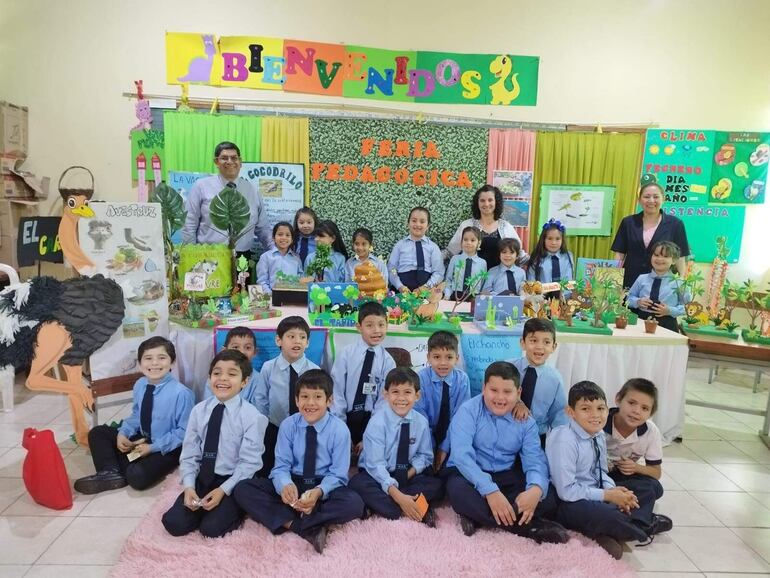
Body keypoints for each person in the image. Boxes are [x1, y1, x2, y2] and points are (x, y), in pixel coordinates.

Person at [233, 370, 365, 554]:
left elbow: (338, 474)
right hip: (294, 481)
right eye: (304, 397)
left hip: (322, 484)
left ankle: (293, 520)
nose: (310, 403)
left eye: (318, 397)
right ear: (296, 400)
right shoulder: (288, 425)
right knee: (243, 489)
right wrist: (285, 485)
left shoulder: (340, 430)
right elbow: (280, 466)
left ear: (329, 401)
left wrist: (318, 492)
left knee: (354, 503)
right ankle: (303, 526)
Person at [445, 361, 569, 544]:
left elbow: (535, 460)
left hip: (507, 474)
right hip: (471, 475)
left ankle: (478, 517)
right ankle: (529, 527)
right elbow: (462, 457)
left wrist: (535, 489)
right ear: (483, 388)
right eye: (494, 390)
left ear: (518, 393)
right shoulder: (468, 411)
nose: (500, 398)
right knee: (457, 492)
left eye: (507, 392)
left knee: (548, 495)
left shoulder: (526, 421)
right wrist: (490, 491)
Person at [162, 349, 267, 538]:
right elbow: (190, 452)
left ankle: (238, 508)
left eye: (232, 374)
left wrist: (223, 490)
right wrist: (189, 487)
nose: (223, 379)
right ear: (209, 378)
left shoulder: (253, 417)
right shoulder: (198, 411)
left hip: (233, 481)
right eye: (217, 373)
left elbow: (249, 463)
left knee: (210, 529)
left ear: (245, 381)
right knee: (173, 524)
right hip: (204, 477)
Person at [74, 337, 194, 494]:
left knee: (137, 477)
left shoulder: (182, 393)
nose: (154, 363)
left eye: (162, 358)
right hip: (142, 438)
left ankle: (117, 469)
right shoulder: (140, 385)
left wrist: (151, 448)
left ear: (172, 363)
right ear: (139, 364)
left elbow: (183, 432)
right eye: (148, 358)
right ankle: (110, 472)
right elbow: (137, 414)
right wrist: (123, 433)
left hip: (167, 447)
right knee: (98, 433)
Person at [546, 381, 651, 559]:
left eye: (601, 408)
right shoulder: (564, 440)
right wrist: (608, 496)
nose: (595, 415)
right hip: (567, 501)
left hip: (593, 491)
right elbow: (566, 491)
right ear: (571, 412)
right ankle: (640, 526)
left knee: (649, 489)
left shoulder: (598, 434)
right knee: (608, 514)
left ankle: (611, 530)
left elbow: (601, 471)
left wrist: (613, 489)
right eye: (586, 409)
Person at [349, 367, 443, 527]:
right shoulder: (377, 423)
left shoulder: (421, 422)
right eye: (395, 392)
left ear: (417, 396)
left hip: (406, 473)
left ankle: (388, 507)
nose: (401, 398)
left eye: (407, 392)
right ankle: (411, 506)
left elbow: (424, 456)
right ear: (385, 395)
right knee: (357, 484)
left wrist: (408, 474)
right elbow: (375, 465)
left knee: (438, 485)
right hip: (376, 475)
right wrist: (398, 495)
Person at [251, 316, 319, 475]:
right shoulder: (268, 368)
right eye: (291, 336)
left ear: (307, 343)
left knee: (300, 465)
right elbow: (261, 399)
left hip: (304, 427)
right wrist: (265, 425)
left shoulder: (314, 371)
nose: (297, 341)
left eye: (302, 337)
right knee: (268, 466)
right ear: (278, 340)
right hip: (275, 427)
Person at [604, 378, 672, 538]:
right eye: (631, 403)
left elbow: (656, 472)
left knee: (654, 487)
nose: (636, 411)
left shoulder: (650, 431)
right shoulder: (601, 419)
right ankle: (641, 524)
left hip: (623, 476)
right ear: (618, 399)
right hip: (596, 475)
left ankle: (632, 522)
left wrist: (636, 468)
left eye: (644, 408)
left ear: (651, 413)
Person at [181, 141, 272, 258]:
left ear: (240, 162)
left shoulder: (252, 190)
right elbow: (189, 223)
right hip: (208, 255)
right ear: (216, 162)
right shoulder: (201, 187)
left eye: (234, 158)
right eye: (224, 158)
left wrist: (277, 252)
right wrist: (191, 256)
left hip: (242, 257)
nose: (230, 162)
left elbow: (263, 228)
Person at [331, 302, 396, 453]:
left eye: (381, 325)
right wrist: (340, 426)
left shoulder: (388, 361)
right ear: (359, 327)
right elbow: (337, 390)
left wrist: (371, 434)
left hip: (371, 420)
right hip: (345, 416)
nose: (376, 330)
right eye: (369, 325)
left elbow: (384, 400)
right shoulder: (346, 354)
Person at [611, 174, 690, 289]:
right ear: (639, 200)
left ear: (663, 198)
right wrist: (614, 279)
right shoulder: (628, 222)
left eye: (656, 197)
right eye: (646, 197)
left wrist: (681, 281)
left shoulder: (675, 224)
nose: (651, 200)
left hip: (662, 284)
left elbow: (681, 256)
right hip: (630, 281)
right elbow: (619, 253)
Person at [414, 331, 471, 472]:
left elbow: (460, 419)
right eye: (437, 357)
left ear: (457, 358)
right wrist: (432, 448)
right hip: (425, 437)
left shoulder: (462, 380)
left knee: (454, 471)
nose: (443, 363)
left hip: (453, 436)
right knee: (425, 471)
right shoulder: (420, 379)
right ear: (428, 357)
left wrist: (444, 448)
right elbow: (421, 420)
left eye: (449, 357)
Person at [508, 318, 567, 447]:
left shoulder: (555, 379)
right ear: (523, 343)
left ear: (554, 347)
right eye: (533, 341)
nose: (539, 347)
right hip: (506, 430)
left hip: (537, 436)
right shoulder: (508, 368)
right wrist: (517, 402)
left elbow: (559, 417)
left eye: (546, 342)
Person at [445, 185, 529, 269]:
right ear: (477, 203)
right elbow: (450, 252)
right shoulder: (467, 225)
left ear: (496, 202)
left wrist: (537, 261)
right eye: (482, 200)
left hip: (498, 278)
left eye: (490, 200)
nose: (486, 204)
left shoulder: (506, 227)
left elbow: (519, 254)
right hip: (472, 278)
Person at [627, 241, 689, 333]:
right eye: (656, 255)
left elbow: (688, 307)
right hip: (641, 321)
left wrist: (669, 310)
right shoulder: (642, 278)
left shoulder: (679, 283)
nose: (659, 259)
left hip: (667, 323)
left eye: (665, 256)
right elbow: (628, 298)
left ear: (674, 260)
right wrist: (638, 301)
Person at [388, 206, 444, 292]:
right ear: (408, 223)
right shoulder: (400, 245)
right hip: (401, 289)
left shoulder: (433, 247)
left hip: (425, 290)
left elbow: (439, 273)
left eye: (422, 222)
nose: (418, 224)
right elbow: (392, 269)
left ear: (428, 226)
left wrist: (426, 287)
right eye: (414, 221)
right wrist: (399, 286)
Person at [203, 327, 259, 402]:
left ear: (255, 352)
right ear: (224, 350)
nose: (241, 352)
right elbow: (207, 405)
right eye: (235, 347)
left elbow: (258, 410)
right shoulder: (215, 376)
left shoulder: (259, 380)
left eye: (248, 348)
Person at [526, 219, 574, 300]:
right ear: (543, 239)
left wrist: (564, 295)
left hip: (563, 299)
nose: (554, 243)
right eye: (550, 238)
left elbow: (569, 279)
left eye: (557, 239)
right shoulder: (536, 257)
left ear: (562, 240)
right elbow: (531, 281)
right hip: (541, 300)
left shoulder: (568, 256)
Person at [256, 222, 304, 294]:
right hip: (271, 299)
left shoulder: (296, 259)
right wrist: (272, 296)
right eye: (280, 234)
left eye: (287, 235)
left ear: (292, 239)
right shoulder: (265, 257)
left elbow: (301, 280)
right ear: (273, 237)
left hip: (293, 298)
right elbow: (262, 281)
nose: (283, 238)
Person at [443, 226, 487, 300]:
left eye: (472, 240)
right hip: (455, 295)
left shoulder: (482, 263)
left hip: (474, 297)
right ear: (461, 241)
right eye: (465, 239)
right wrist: (447, 294)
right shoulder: (455, 259)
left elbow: (483, 282)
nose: (468, 243)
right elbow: (448, 279)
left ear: (479, 243)